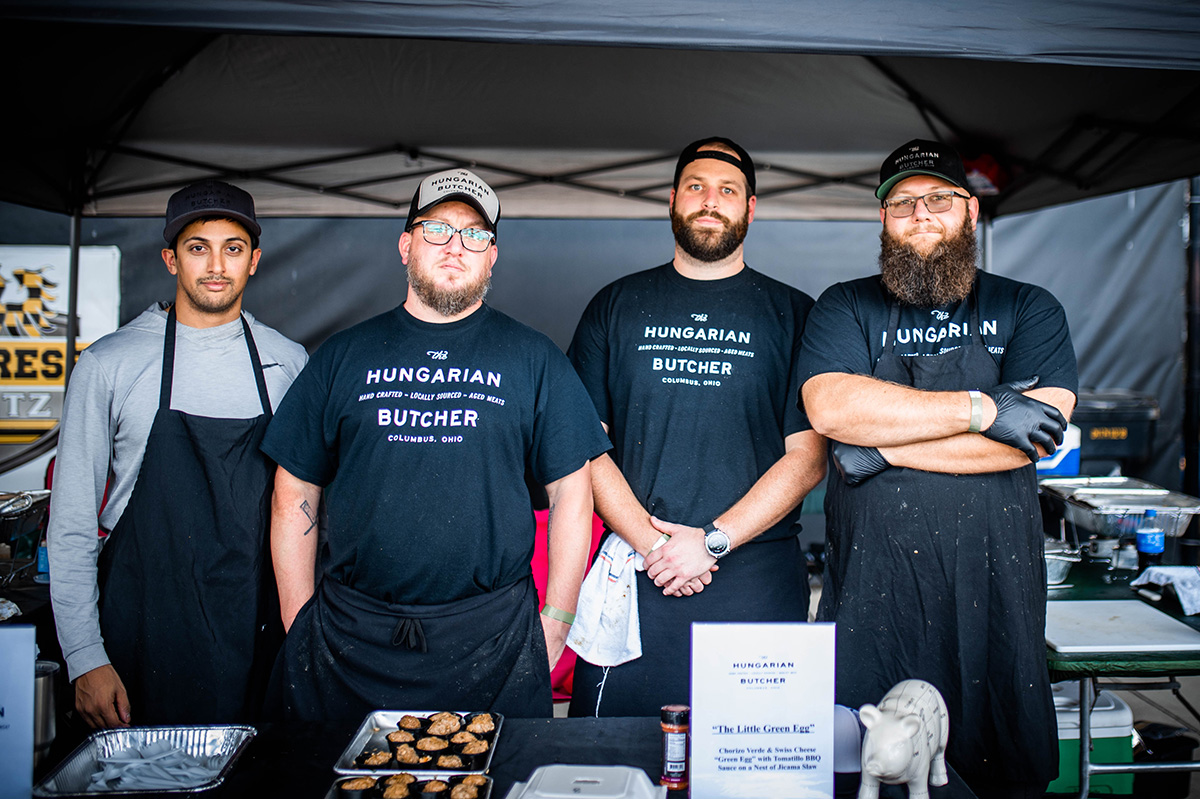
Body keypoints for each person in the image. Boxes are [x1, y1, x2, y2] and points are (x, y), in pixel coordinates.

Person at [263, 168, 610, 721]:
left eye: (475, 234)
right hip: (348, 638)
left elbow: (574, 494)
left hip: (494, 642)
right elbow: (293, 490)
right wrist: (300, 624)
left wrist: (556, 626)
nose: (456, 246)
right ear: (405, 245)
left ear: (492, 255)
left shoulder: (533, 358)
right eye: (437, 229)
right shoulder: (343, 355)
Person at [798, 139, 1076, 799]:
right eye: (902, 203)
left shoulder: (1028, 307)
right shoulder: (845, 306)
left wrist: (886, 444)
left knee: (996, 768)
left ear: (971, 212)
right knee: (868, 769)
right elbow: (832, 407)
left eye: (939, 198)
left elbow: (1033, 436)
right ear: (884, 221)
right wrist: (984, 407)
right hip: (874, 593)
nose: (921, 213)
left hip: (996, 594)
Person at [567, 137, 827, 717]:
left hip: (755, 580)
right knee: (613, 761)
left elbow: (807, 457)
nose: (711, 201)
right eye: (696, 187)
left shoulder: (795, 313)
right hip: (637, 574)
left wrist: (711, 540)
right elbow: (584, 447)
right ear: (672, 200)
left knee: (751, 772)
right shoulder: (616, 304)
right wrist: (656, 544)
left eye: (728, 190)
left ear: (751, 208)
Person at [47, 180, 308, 728]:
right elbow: (70, 525)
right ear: (170, 259)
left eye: (232, 248)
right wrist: (84, 657)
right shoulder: (109, 364)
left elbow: (310, 515)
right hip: (141, 640)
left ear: (254, 261)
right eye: (197, 248)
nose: (216, 264)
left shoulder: (288, 364)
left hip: (257, 639)